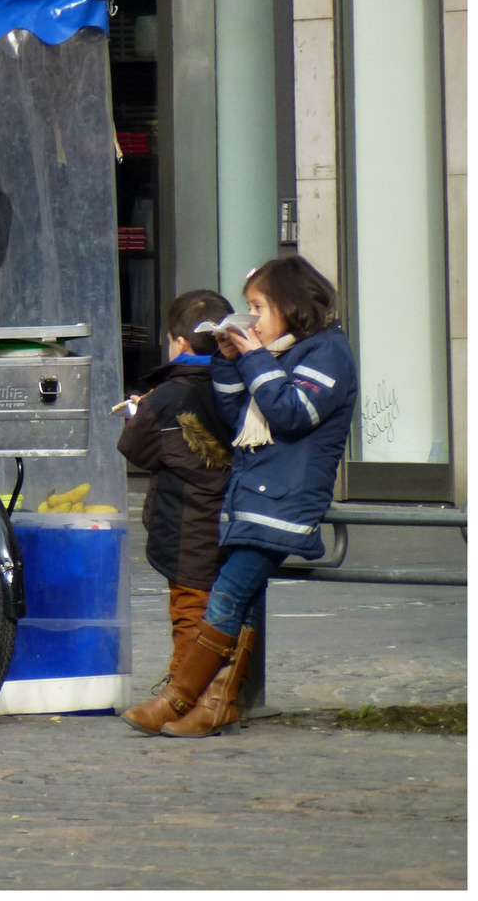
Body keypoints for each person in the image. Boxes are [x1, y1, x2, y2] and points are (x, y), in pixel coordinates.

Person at [123, 255, 357, 738]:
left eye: (258, 307)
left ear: (291, 306)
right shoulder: (279, 354)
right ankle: (216, 704)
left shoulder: (326, 353)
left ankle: (179, 697)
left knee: (226, 595)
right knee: (241, 602)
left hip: (284, 502)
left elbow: (291, 412)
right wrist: (230, 363)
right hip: (253, 498)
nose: (251, 319)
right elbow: (238, 420)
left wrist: (251, 358)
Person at [116, 289, 235, 699]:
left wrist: (137, 412)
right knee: (230, 607)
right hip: (234, 516)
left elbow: (137, 449)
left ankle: (186, 695)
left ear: (180, 343)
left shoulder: (165, 397)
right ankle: (223, 690)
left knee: (189, 610)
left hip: (185, 522)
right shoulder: (239, 383)